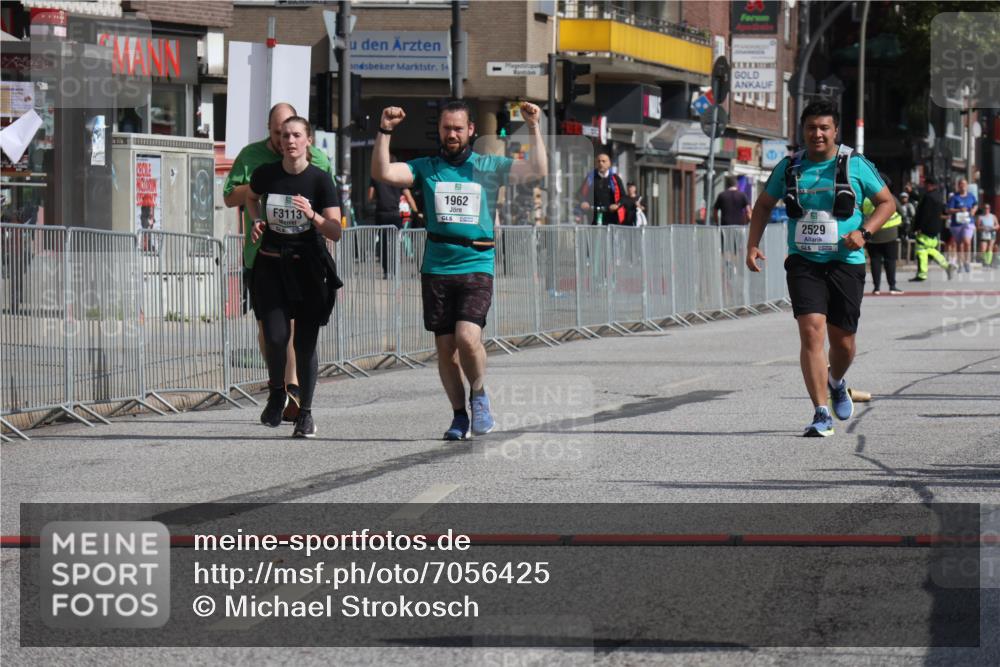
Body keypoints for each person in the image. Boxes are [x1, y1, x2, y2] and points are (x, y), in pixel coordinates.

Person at [372, 100, 547, 440]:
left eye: (457, 128)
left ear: (470, 131)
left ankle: (479, 394)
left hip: (477, 262)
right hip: (437, 266)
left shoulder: (487, 165)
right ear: (439, 130)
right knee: (445, 348)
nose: (451, 134)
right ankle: (458, 416)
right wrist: (385, 131)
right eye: (445, 128)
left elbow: (536, 170)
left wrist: (534, 126)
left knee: (468, 337)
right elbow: (383, 172)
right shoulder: (427, 167)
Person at [746, 100, 895, 437]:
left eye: (824, 127)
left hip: (846, 262)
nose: (817, 133)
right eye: (811, 127)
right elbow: (764, 205)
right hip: (804, 261)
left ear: (835, 130)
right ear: (802, 130)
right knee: (811, 330)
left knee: (843, 344)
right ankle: (820, 412)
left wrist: (865, 232)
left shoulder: (854, 164)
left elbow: (888, 202)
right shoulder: (789, 166)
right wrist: (752, 244)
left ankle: (837, 382)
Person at [224, 103, 335, 423]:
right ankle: (280, 389)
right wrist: (268, 185)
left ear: (308, 140)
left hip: (307, 260)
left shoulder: (319, 165)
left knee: (301, 334)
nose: (285, 140)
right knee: (273, 331)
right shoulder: (255, 160)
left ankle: (296, 394)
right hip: (262, 256)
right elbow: (233, 196)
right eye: (279, 134)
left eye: (293, 134)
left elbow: (331, 214)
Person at [368, 154, 420, 278]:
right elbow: (409, 196)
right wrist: (417, 211)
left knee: (383, 243)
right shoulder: (398, 179)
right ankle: (395, 269)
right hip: (395, 215)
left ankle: (386, 271)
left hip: (381, 214)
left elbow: (370, 197)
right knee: (395, 242)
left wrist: (379, 197)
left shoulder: (376, 177)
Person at [861, 174, 904, 295]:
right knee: (890, 261)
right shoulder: (889, 197)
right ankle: (892, 286)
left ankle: (877, 288)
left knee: (875, 261)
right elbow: (901, 212)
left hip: (872, 234)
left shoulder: (865, 199)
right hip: (890, 234)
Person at [909, 176, 956, 282]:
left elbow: (925, 213)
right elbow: (943, 211)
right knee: (929, 249)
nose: (924, 186)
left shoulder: (928, 197)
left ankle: (922, 274)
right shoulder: (939, 196)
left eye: (925, 184)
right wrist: (911, 193)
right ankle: (946, 266)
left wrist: (918, 227)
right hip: (935, 228)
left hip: (925, 228)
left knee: (921, 250)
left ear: (929, 185)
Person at [579, 152, 626, 225]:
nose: (601, 163)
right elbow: (580, 193)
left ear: (609, 164)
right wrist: (583, 202)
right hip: (593, 215)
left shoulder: (615, 179)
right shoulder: (590, 178)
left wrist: (617, 205)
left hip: (611, 216)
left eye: (604, 161)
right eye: (599, 161)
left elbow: (623, 196)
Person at [946, 178, 978, 272]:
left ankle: (967, 262)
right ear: (958, 186)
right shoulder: (954, 197)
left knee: (967, 241)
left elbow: (975, 205)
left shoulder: (971, 196)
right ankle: (960, 264)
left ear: (967, 185)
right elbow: (948, 210)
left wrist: (973, 210)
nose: (963, 186)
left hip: (968, 222)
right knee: (959, 244)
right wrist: (959, 210)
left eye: (964, 184)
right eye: (961, 184)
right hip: (956, 224)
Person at [977, 203, 997, 268]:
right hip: (984, 233)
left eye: (988, 208)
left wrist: (994, 227)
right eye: (985, 208)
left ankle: (988, 262)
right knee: (983, 249)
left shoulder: (993, 216)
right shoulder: (980, 217)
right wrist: (982, 228)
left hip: (992, 233)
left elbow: (997, 225)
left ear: (990, 209)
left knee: (990, 247)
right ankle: (985, 261)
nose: (986, 209)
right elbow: (977, 226)